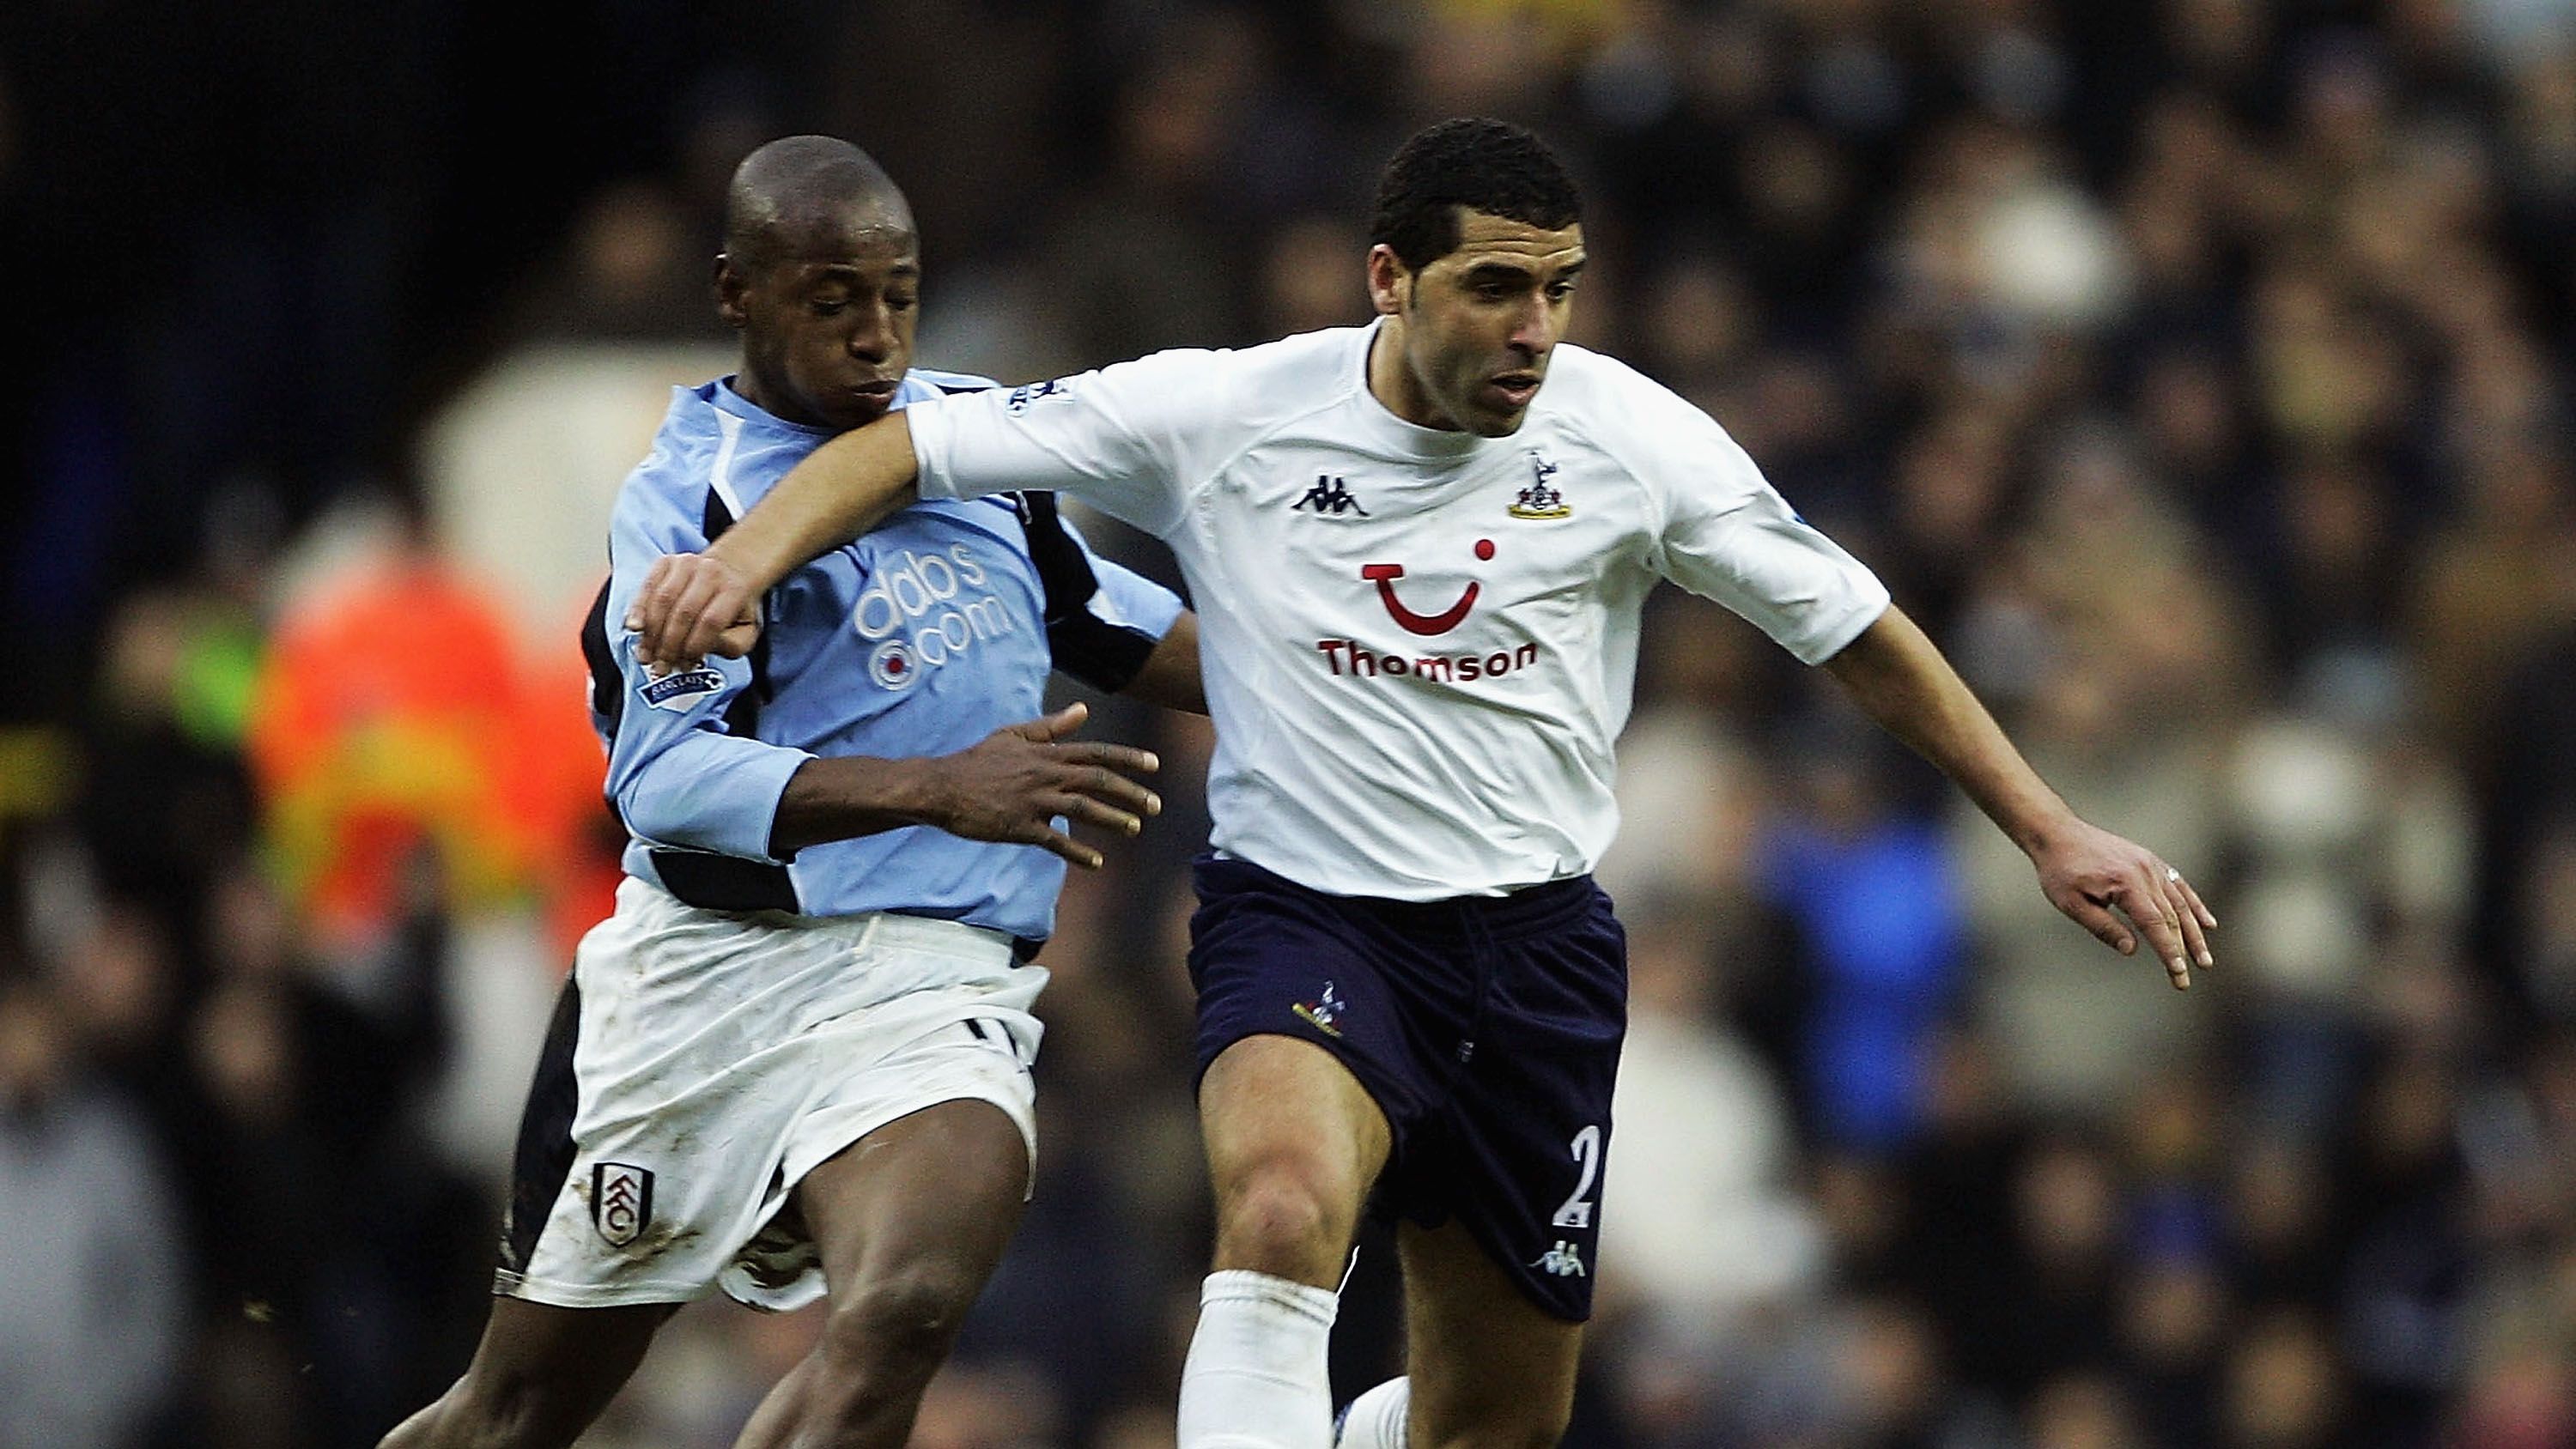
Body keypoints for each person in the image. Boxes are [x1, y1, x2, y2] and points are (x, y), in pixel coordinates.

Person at [629, 118, 2219, 1449]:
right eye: (1496, 289)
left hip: (1533, 955)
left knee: (1493, 1423)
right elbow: (907, 447)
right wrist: (739, 562)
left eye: (1560, 291)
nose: (1537, 329)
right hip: (1305, 923)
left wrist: (2047, 822)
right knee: (1275, 1210)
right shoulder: (1230, 411)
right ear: (1389, 279)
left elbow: (1852, 627)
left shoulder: (1633, 442)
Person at [383, 135, 1200, 1449]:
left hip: (934, 987)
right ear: (737, 292)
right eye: (834, 301)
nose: (877, 336)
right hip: (707, 988)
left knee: (910, 1307)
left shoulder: (969, 442)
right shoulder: (689, 508)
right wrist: (939, 785)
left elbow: (1115, 623)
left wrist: (1371, 678)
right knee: (515, 1412)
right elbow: (663, 780)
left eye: (900, 295)